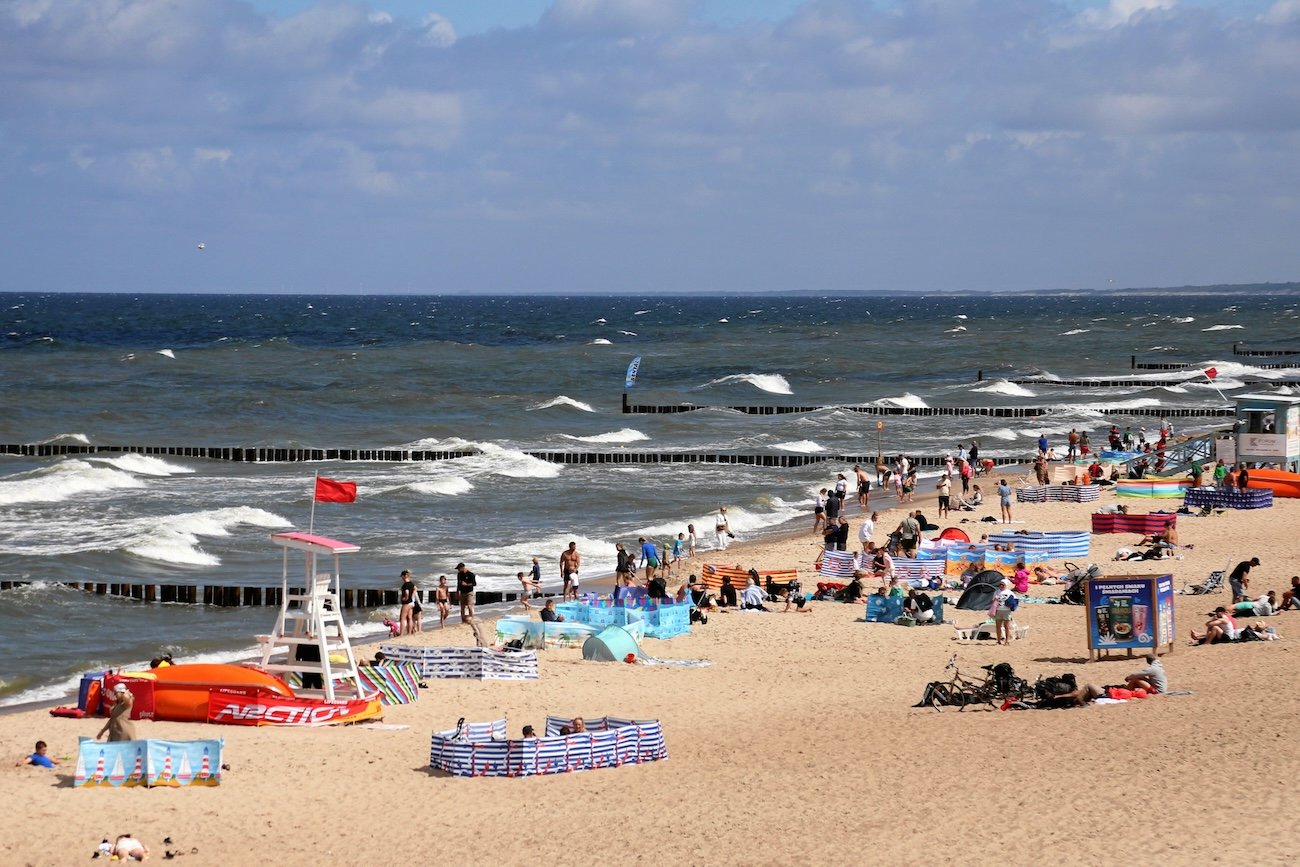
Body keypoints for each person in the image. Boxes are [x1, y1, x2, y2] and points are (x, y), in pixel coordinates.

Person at [991, 578, 1016, 646]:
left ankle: (1007, 641)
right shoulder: (997, 592)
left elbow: (1015, 601)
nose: (1001, 586)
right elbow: (993, 600)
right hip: (998, 610)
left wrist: (1012, 606)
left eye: (1003, 584)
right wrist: (995, 599)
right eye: (1000, 584)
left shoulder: (1009, 592)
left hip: (1006, 611)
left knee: (1006, 626)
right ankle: (998, 641)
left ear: (1006, 585)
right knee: (998, 626)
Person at [399, 569, 416, 635]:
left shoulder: (405, 585)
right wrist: (412, 597)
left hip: (406, 603)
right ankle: (409, 633)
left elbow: (407, 592)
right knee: (409, 618)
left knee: (402, 618)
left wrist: (405, 598)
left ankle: (401, 634)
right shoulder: (411, 583)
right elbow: (415, 589)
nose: (402, 578)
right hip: (411, 603)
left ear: (404, 576)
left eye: (402, 576)